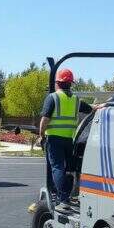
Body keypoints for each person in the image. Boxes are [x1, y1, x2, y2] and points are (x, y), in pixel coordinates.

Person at [39, 68, 92, 206]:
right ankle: (66, 195)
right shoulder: (75, 100)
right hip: (69, 139)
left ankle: (61, 197)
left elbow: (45, 119)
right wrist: (102, 106)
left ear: (58, 83)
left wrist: (41, 135)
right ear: (70, 84)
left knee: (56, 167)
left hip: (54, 139)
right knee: (68, 169)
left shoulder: (53, 97)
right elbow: (90, 109)